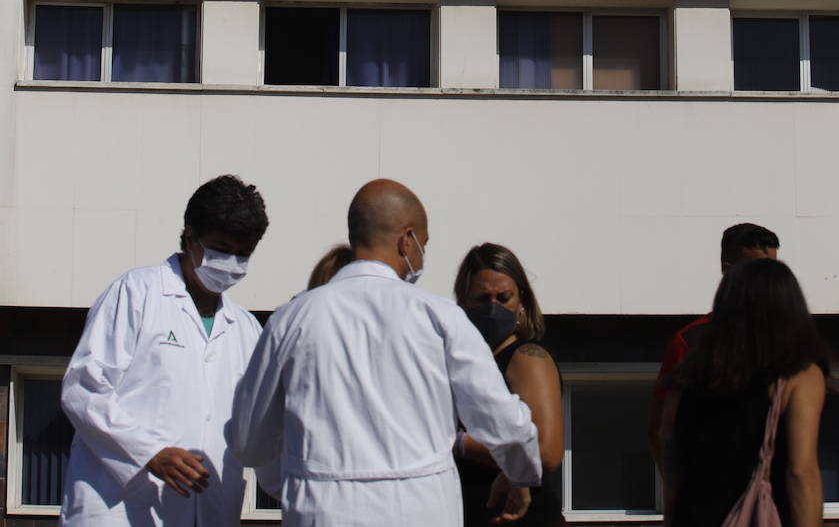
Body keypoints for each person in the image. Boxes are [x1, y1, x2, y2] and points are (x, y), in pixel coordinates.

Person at [228, 178, 542, 526]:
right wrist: (520, 474)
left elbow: (247, 441)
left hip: (323, 510)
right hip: (420, 508)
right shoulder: (439, 317)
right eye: (423, 244)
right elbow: (505, 424)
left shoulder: (292, 319)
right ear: (407, 240)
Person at [59, 175, 269, 526]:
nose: (231, 263)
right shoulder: (136, 293)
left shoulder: (246, 328)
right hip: (117, 509)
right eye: (220, 249)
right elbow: (84, 389)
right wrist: (149, 453)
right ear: (190, 237)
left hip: (210, 510)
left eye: (242, 254)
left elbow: (256, 427)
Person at [660, 258, 826, 527]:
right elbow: (801, 472)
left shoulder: (686, 377)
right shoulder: (799, 376)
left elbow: (668, 448)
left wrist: (670, 516)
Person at [648, 222, 779, 462]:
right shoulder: (691, 341)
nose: (769, 281)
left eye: (774, 270)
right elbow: (662, 431)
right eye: (757, 270)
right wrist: (678, 493)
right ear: (727, 271)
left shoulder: (790, 338)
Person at [454, 243, 565, 527]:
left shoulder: (527, 358)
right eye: (482, 298)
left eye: (504, 297)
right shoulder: (462, 360)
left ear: (521, 301)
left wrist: (458, 444)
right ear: (463, 300)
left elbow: (547, 452)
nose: (493, 308)